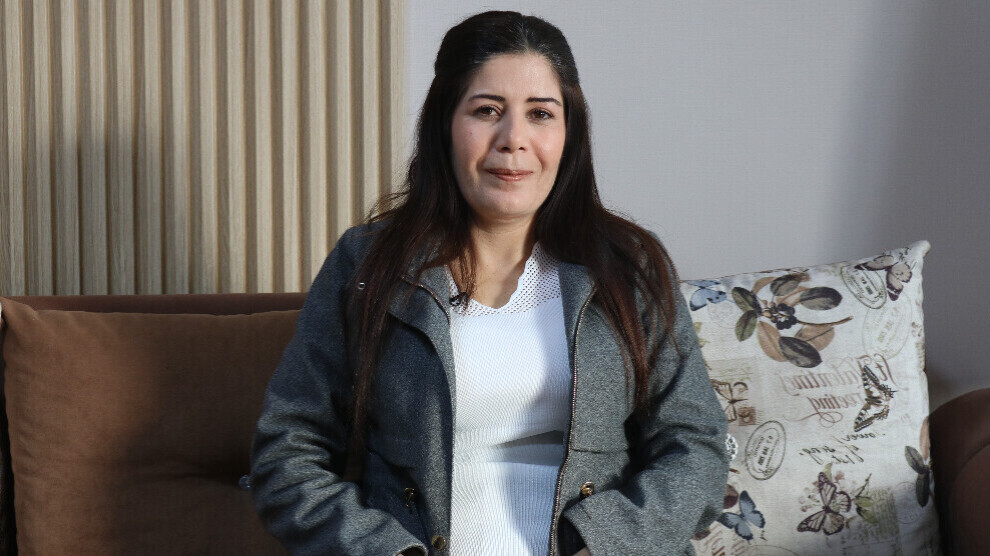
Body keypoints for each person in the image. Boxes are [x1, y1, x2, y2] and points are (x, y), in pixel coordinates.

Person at [250, 10, 729, 556]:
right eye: (487, 111)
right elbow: (288, 451)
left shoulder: (629, 266)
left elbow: (695, 446)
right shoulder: (367, 262)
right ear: (445, 124)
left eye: (540, 113)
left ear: (569, 133)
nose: (513, 140)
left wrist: (600, 544)